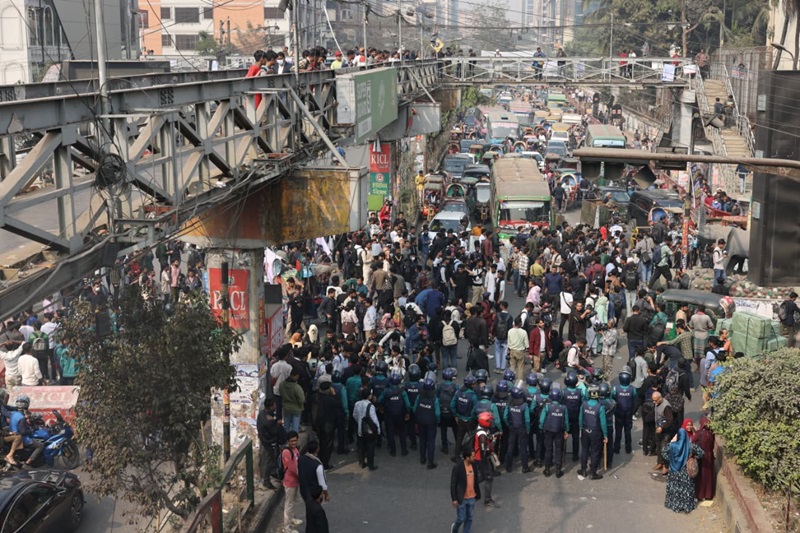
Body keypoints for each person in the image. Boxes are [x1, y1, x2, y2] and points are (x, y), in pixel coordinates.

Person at [662, 428, 704, 513]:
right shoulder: (691, 446)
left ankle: (674, 504)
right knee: (686, 489)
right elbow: (701, 453)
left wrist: (671, 459)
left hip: (674, 472)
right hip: (686, 473)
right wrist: (693, 458)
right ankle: (686, 505)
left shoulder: (672, 446)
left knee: (675, 488)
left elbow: (663, 452)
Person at [578, 386, 608, 480]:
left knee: (584, 450)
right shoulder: (600, 407)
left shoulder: (584, 404)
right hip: (596, 432)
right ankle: (593, 473)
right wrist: (605, 435)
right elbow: (603, 423)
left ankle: (583, 470)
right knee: (595, 452)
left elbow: (580, 419)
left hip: (585, 430)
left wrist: (582, 428)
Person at [540, 388, 569, 478]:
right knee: (559, 450)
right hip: (559, 431)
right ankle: (558, 470)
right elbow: (566, 421)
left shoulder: (547, 407)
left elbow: (541, 420)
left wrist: (541, 428)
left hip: (548, 431)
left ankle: (547, 469)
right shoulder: (564, 408)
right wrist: (566, 431)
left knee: (548, 450)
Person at [450, 448, 481, 533]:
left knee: (470, 517)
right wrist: (454, 499)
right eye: (473, 456)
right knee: (461, 518)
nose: (475, 458)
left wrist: (478, 494)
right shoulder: (458, 467)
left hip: (472, 497)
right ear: (467, 457)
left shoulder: (474, 465)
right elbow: (453, 484)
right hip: (462, 497)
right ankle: (455, 528)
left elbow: (476, 481)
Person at [257, 399, 283, 490]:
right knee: (271, 460)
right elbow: (274, 430)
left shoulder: (262, 414)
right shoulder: (269, 420)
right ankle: (267, 481)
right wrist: (278, 424)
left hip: (265, 440)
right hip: (269, 441)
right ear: (270, 406)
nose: (275, 406)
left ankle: (274, 473)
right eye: (274, 405)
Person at [280, 431, 303, 533]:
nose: (294, 442)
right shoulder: (286, 452)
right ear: (288, 441)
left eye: (295, 440)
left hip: (296, 480)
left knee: (293, 501)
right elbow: (291, 468)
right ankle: (287, 527)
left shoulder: (295, 449)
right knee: (288, 504)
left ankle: (292, 518)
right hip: (290, 481)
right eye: (292, 441)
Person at [354, 389, 379, 471]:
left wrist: (359, 422)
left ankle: (361, 463)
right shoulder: (370, 406)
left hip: (360, 429)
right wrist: (378, 429)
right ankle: (370, 465)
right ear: (369, 396)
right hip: (369, 430)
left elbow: (354, 415)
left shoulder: (357, 404)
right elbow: (374, 419)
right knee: (370, 447)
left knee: (361, 446)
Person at [298, 440, 329, 504]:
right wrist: (326, 494)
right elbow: (322, 483)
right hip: (315, 493)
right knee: (316, 510)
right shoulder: (317, 465)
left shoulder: (301, 459)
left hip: (304, 491)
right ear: (317, 449)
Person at [652, 391, 674, 475]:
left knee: (664, 448)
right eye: (653, 400)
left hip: (665, 431)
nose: (654, 402)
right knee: (658, 447)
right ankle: (659, 462)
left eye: (656, 400)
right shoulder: (657, 403)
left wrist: (662, 427)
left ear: (660, 398)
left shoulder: (666, 407)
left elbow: (670, 420)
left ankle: (666, 466)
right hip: (658, 428)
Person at [694, 416, 716, 501]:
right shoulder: (711, 433)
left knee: (700, 476)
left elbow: (694, 442)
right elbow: (712, 445)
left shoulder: (699, 433)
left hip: (701, 457)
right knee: (708, 476)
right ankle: (708, 494)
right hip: (709, 456)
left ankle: (700, 494)